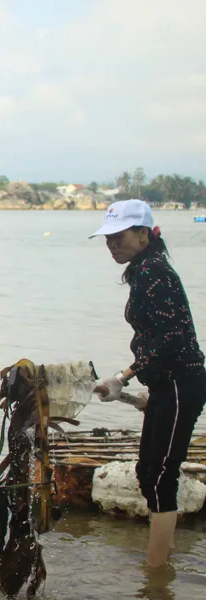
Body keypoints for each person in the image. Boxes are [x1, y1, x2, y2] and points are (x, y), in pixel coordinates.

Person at [91, 199, 206, 569]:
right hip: (165, 383)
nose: (112, 244)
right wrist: (145, 390)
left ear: (143, 234)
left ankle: (156, 576)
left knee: (160, 475)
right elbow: (158, 338)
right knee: (148, 472)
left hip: (180, 382)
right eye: (107, 238)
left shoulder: (154, 271)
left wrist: (124, 378)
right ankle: (162, 560)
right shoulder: (144, 269)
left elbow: (170, 339)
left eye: (119, 236)